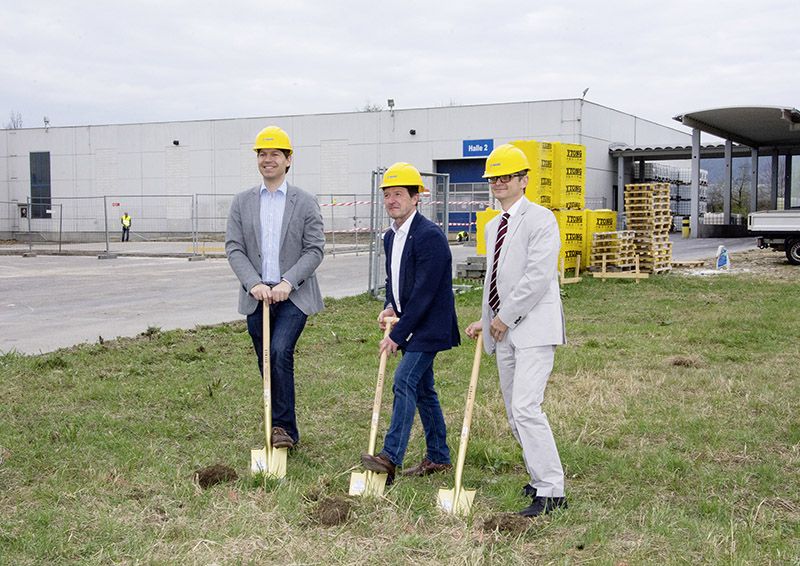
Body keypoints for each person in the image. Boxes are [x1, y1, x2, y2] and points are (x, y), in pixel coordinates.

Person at [465, 144, 568, 517]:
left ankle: (553, 491)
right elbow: (496, 279)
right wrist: (487, 318)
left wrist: (504, 317)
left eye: (506, 177)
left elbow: (536, 278)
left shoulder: (542, 220)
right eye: (494, 178)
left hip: (534, 329)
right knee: (513, 411)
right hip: (503, 331)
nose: (499, 184)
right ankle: (539, 478)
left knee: (526, 406)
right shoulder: (494, 225)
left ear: (524, 180)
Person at [225, 125, 325, 450]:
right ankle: (278, 425)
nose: (268, 160)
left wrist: (287, 282)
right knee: (265, 358)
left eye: (275, 154)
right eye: (262, 154)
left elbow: (314, 249)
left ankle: (283, 429)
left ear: (288, 160)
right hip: (257, 296)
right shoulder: (241, 203)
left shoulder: (305, 202)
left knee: (280, 351)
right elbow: (234, 248)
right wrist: (253, 283)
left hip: (294, 294)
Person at [360, 162, 460, 484]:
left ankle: (390, 458)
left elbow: (425, 293)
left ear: (416, 198)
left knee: (403, 380)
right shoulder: (390, 237)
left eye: (399, 194)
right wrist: (390, 306)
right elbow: (396, 280)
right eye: (387, 195)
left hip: (429, 326)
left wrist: (397, 335)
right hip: (409, 323)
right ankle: (439, 457)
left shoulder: (430, 236)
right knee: (423, 390)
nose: (391, 200)